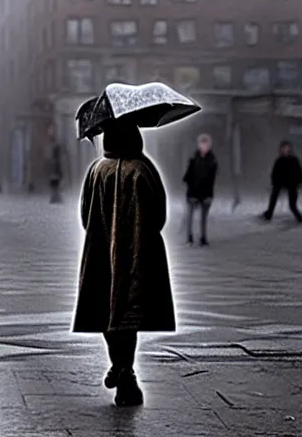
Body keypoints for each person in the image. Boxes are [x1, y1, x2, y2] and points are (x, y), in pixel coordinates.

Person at [72, 122, 175, 407]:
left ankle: (119, 365)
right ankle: (125, 370)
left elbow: (84, 214)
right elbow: (159, 214)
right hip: (138, 252)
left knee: (105, 309)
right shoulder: (143, 169)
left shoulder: (96, 170)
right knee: (128, 312)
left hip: (100, 250)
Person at [182, 133, 218, 245]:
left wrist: (209, 195)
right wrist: (191, 191)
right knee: (190, 216)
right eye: (202, 144)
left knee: (203, 217)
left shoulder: (212, 160)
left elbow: (211, 180)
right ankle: (189, 237)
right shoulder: (194, 158)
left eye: (206, 144)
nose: (204, 146)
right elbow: (188, 176)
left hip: (205, 192)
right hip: (193, 191)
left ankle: (203, 237)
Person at [262, 141, 302, 223]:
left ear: (289, 149)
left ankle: (300, 218)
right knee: (274, 196)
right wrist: (274, 182)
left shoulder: (294, 160)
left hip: (292, 183)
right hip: (281, 183)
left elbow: (299, 171)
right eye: (283, 148)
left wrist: (300, 181)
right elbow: (274, 173)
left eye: (286, 148)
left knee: (292, 205)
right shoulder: (279, 161)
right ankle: (269, 214)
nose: (284, 150)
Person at [47, 128, 65, 204]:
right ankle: (55, 197)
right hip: (54, 172)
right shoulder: (54, 159)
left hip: (55, 172)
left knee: (55, 184)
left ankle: (56, 197)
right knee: (54, 184)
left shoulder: (56, 159)